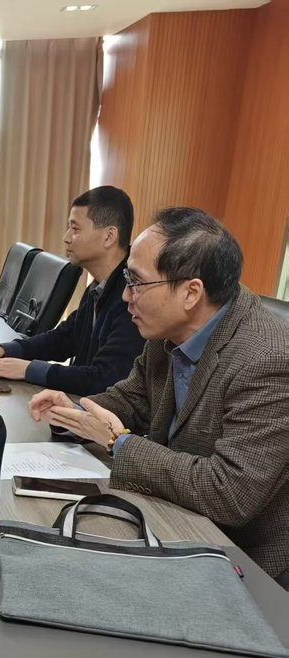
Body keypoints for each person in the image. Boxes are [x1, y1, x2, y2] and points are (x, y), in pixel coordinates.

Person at [29, 207, 289, 586]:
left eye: (136, 282)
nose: (125, 296)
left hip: (241, 559)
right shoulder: (169, 328)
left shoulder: (268, 360)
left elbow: (229, 493)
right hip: (172, 517)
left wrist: (118, 443)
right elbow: (131, 398)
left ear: (190, 292)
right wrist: (76, 412)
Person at [0, 186, 145, 396]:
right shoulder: (100, 286)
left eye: (75, 229)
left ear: (109, 236)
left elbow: (104, 379)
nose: (66, 238)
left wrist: (27, 369)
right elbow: (64, 338)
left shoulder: (132, 298)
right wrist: (4, 350)